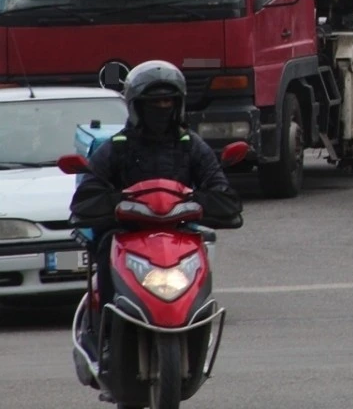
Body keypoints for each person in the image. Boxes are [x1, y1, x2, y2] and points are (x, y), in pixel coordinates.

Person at [70, 61, 242, 359]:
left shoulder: (192, 146)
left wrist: (198, 201)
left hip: (179, 234)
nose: (162, 108)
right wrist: (117, 202)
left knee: (203, 249)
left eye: (168, 101)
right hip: (127, 233)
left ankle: (197, 325)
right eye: (154, 103)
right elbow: (85, 198)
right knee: (106, 245)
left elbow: (224, 196)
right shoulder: (117, 147)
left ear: (178, 105)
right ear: (137, 106)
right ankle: (107, 336)